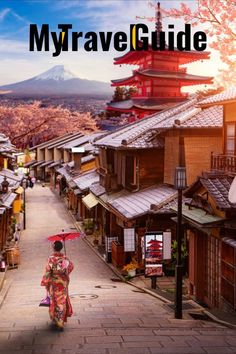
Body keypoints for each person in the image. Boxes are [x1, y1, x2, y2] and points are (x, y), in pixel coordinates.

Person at [41, 241, 74, 330]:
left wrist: (45, 282)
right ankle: (61, 321)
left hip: (54, 283)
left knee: (54, 301)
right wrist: (65, 268)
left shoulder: (51, 259)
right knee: (62, 301)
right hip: (62, 283)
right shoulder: (65, 257)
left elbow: (48, 271)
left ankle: (56, 320)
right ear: (61, 248)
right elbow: (70, 267)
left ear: (53, 248)